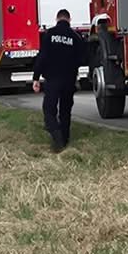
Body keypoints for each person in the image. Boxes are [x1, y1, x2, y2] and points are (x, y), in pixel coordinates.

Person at [31, 8, 88, 153]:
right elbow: (82, 59)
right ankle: (65, 140)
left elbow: (42, 57)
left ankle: (57, 137)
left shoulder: (49, 34)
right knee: (65, 111)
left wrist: (36, 78)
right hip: (69, 80)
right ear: (69, 20)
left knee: (49, 109)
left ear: (57, 19)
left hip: (52, 79)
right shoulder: (75, 37)